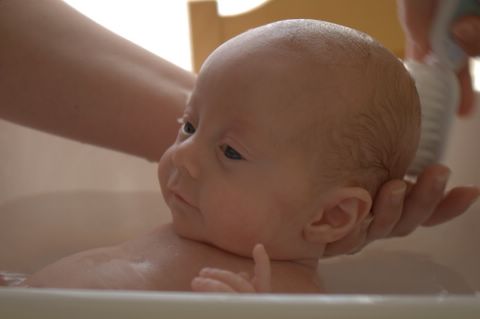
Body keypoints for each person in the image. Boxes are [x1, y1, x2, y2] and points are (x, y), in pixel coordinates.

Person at [0, 0, 478, 261]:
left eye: (230, 152)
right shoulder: (207, 235)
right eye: (188, 125)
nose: (181, 155)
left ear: (331, 217)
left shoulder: (269, 295)